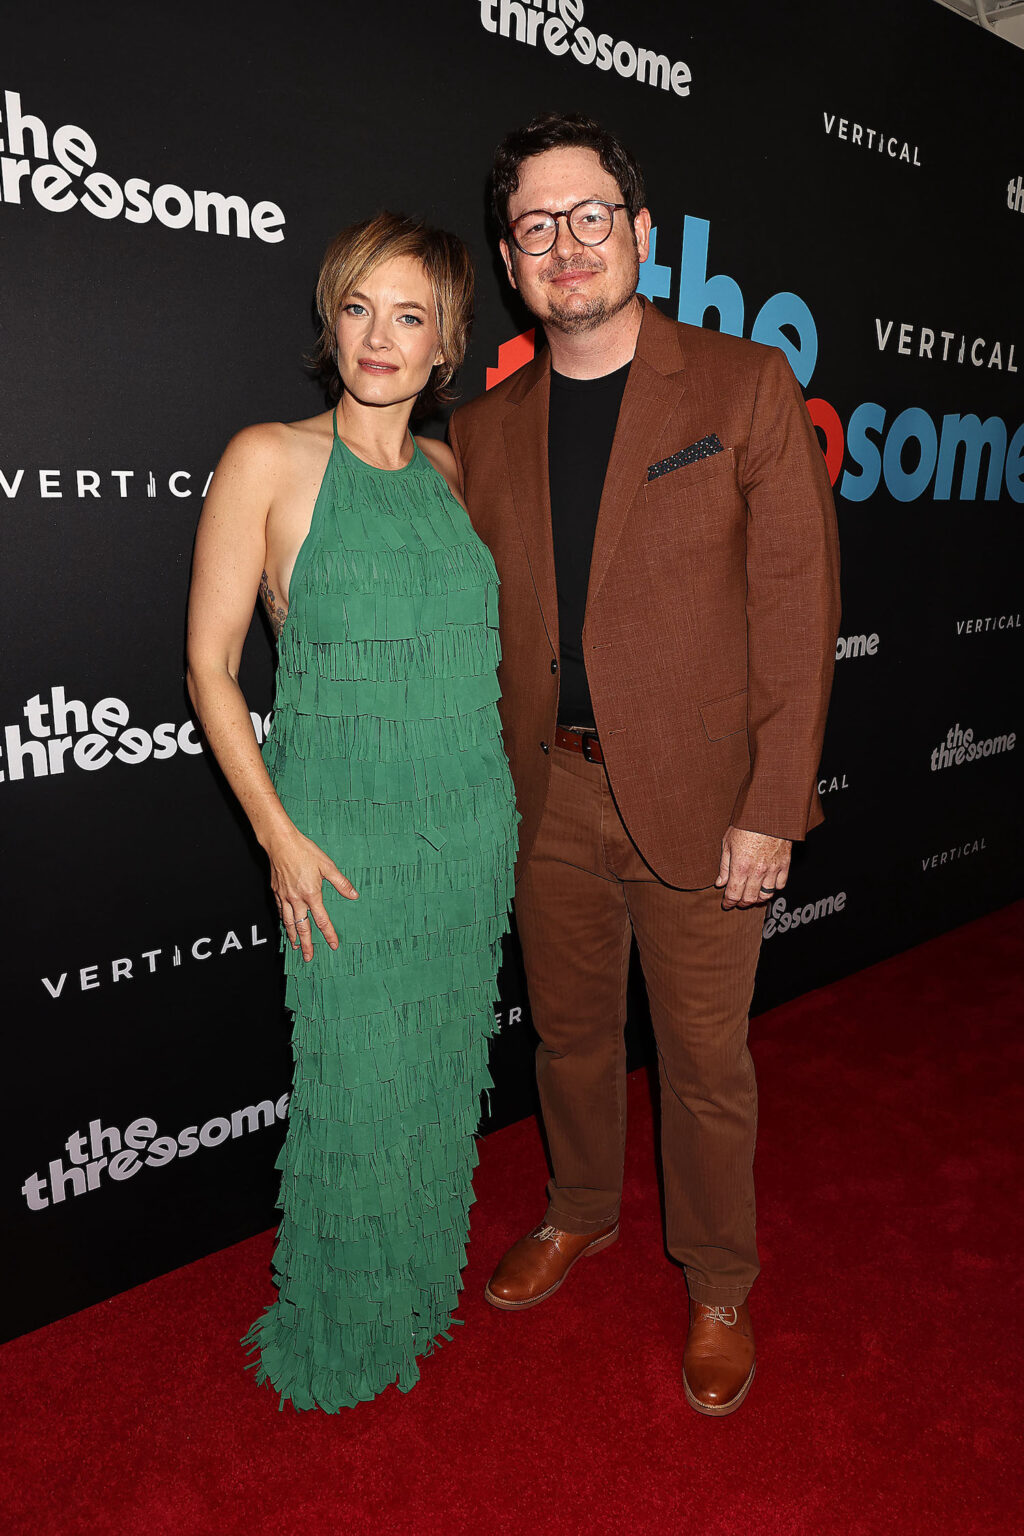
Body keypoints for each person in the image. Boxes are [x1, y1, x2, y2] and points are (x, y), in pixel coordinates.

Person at [448, 113, 840, 1417]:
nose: (567, 246)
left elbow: (794, 609)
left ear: (643, 235)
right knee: (567, 1037)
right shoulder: (486, 428)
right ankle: (577, 1211)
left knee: (704, 1061)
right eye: (537, 228)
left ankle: (720, 1282)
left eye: (589, 217)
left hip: (703, 797)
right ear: (512, 262)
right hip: (543, 793)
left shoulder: (740, 387)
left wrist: (774, 806)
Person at [186, 212, 518, 1412]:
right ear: (331, 323)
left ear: (446, 349)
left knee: (436, 1074)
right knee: (354, 1084)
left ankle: (421, 1284)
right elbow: (210, 670)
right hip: (340, 840)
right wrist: (279, 837)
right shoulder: (268, 457)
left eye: (411, 315)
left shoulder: (444, 471)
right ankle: (344, 1315)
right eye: (359, 307)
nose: (381, 336)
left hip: (467, 830)